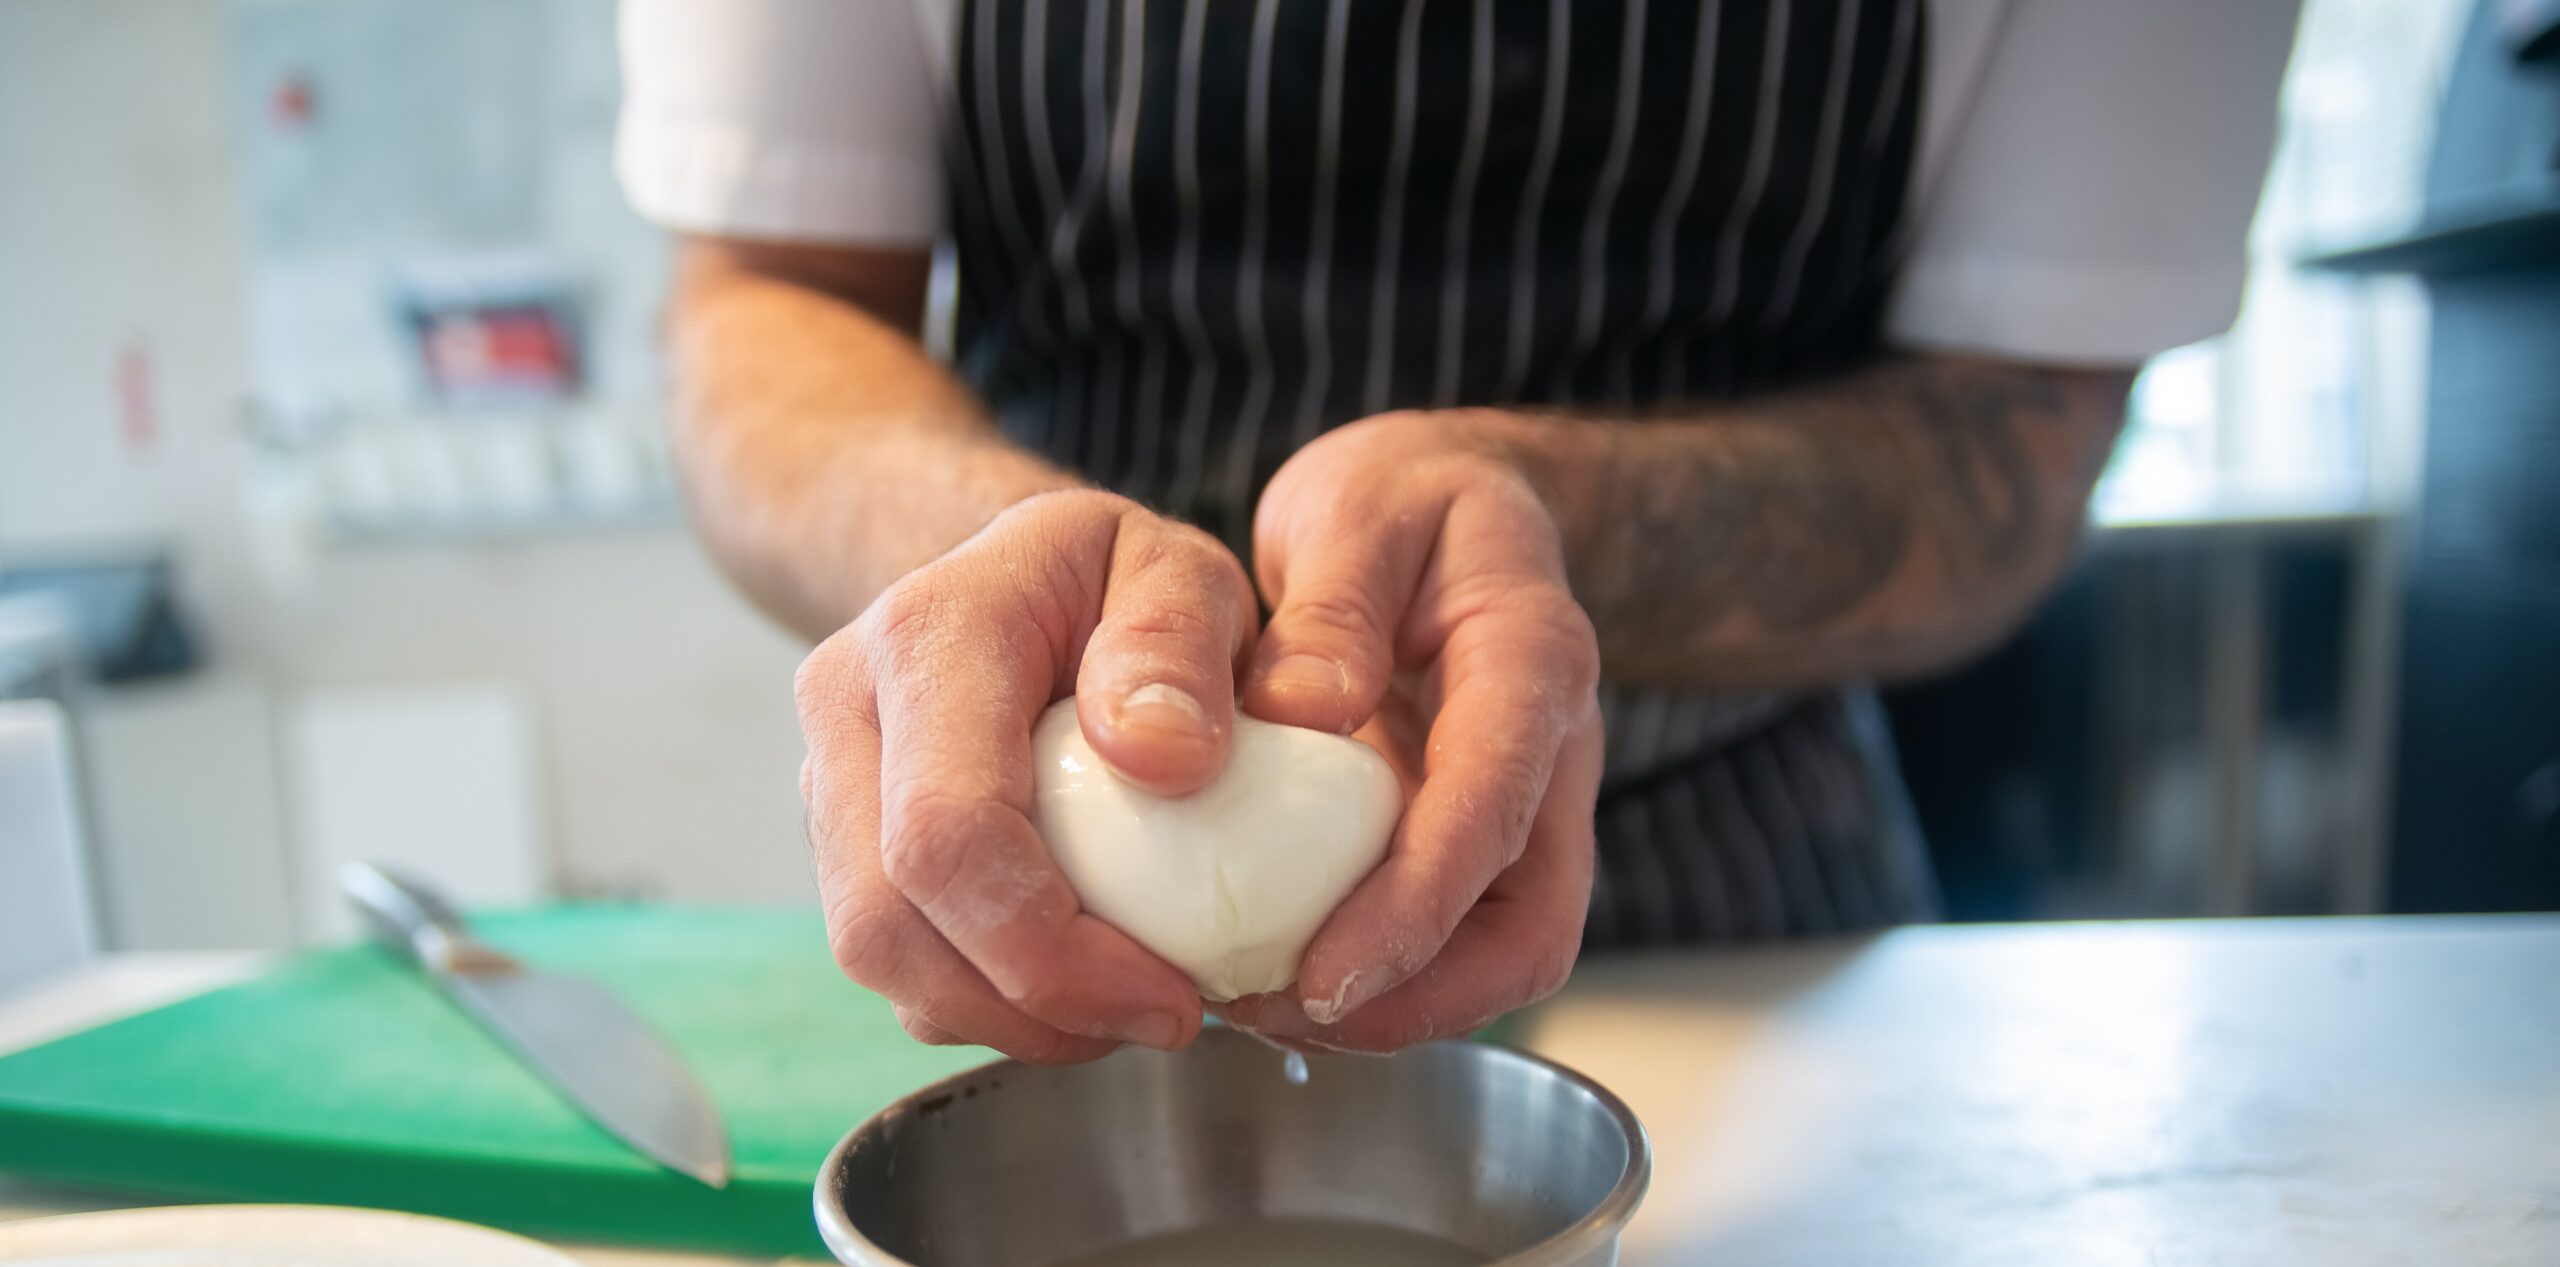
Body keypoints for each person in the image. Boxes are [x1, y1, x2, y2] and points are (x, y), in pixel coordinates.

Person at [618, 0, 2302, 1061]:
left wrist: (1562, 523)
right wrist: (993, 548)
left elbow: (2019, 432)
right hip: (1061, 904)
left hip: (1746, 899)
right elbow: (763, 303)